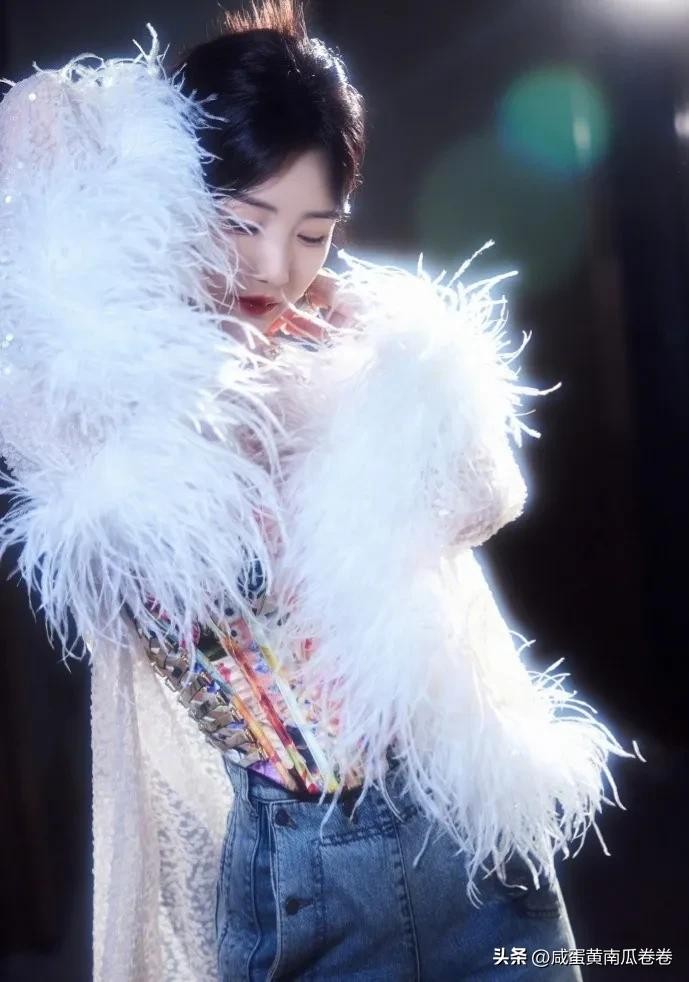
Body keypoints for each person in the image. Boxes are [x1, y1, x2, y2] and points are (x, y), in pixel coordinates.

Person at [0, 2, 643, 979]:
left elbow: (484, 496)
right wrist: (142, 130)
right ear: (164, 195)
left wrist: (394, 359)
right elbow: (30, 136)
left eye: (313, 233)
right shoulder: (95, 397)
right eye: (241, 222)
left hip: (462, 827)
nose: (275, 267)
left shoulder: (356, 348)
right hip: (301, 872)